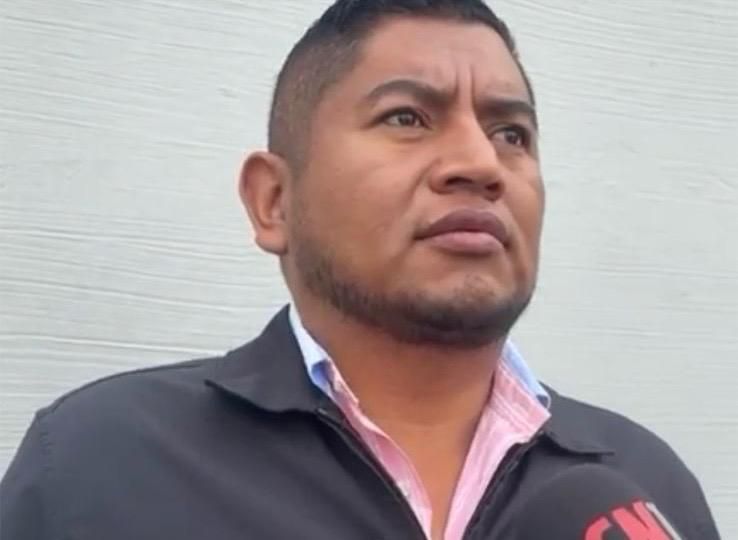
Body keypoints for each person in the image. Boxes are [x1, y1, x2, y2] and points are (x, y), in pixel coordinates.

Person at [0, 1, 721, 539]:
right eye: (407, 118)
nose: (481, 164)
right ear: (274, 200)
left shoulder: (646, 484)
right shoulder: (103, 463)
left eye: (512, 133)